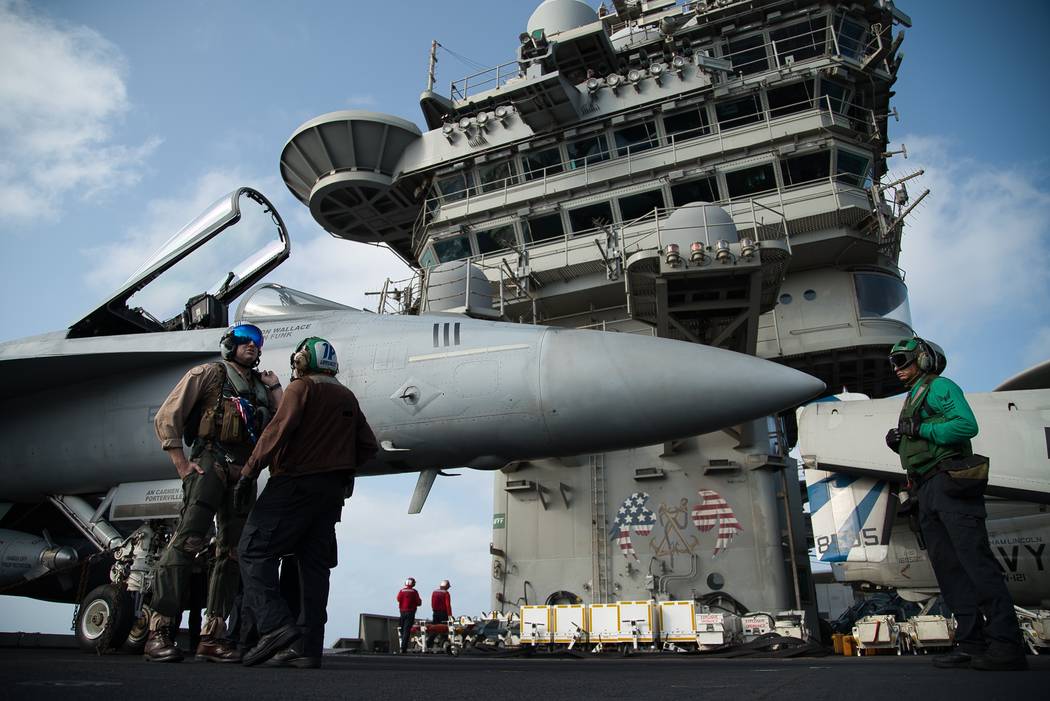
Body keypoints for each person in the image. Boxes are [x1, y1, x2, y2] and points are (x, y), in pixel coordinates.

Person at [886, 337, 1027, 671]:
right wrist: (901, 441)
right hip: (926, 488)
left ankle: (1006, 645)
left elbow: (966, 425)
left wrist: (920, 428)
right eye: (894, 362)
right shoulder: (915, 396)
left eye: (903, 359)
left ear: (923, 358)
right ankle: (972, 643)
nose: (898, 368)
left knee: (975, 563)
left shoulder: (939, 387)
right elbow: (925, 440)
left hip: (949, 481)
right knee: (949, 571)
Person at [236, 336, 378, 668]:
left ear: (304, 360)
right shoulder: (347, 396)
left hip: (293, 485)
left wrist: (248, 470)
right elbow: (368, 447)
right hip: (331, 494)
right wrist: (339, 465)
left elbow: (277, 430)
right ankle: (308, 648)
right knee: (313, 567)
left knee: (253, 549)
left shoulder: (301, 388)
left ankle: (274, 627)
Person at [147, 323, 282, 663]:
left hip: (242, 474)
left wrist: (276, 387)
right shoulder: (209, 374)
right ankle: (158, 630)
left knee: (232, 554)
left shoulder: (261, 387)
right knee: (188, 542)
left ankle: (213, 637)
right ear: (230, 344)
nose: (252, 346)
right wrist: (180, 464)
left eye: (257, 342)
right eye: (245, 341)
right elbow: (167, 416)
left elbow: (280, 425)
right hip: (209, 464)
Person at [397, 577, 422, 653]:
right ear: (413, 584)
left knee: (402, 628)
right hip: (410, 613)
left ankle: (402, 645)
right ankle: (403, 648)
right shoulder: (414, 592)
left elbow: (398, 599)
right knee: (407, 630)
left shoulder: (401, 591)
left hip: (402, 613)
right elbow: (419, 603)